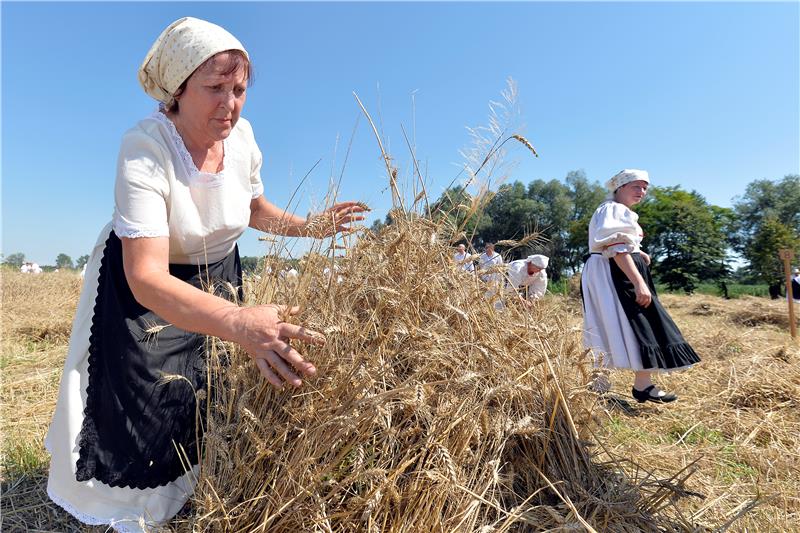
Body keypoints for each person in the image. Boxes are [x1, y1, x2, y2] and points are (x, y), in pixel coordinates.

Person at [44, 17, 367, 533]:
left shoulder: (242, 140)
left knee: (199, 385)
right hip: (148, 279)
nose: (230, 104)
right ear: (177, 90)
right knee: (140, 390)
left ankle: (188, 482)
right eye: (215, 88)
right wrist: (238, 322)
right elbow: (146, 274)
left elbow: (254, 208)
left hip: (217, 273)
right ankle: (125, 506)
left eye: (239, 90)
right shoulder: (145, 146)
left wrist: (310, 227)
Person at [581, 169, 700, 404]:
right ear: (620, 187)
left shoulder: (620, 211)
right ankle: (601, 385)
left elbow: (619, 244)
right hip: (613, 273)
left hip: (617, 269)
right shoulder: (612, 209)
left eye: (645, 188)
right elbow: (614, 246)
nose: (642, 192)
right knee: (617, 323)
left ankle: (640, 385)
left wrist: (638, 252)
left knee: (636, 322)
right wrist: (637, 282)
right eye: (636, 186)